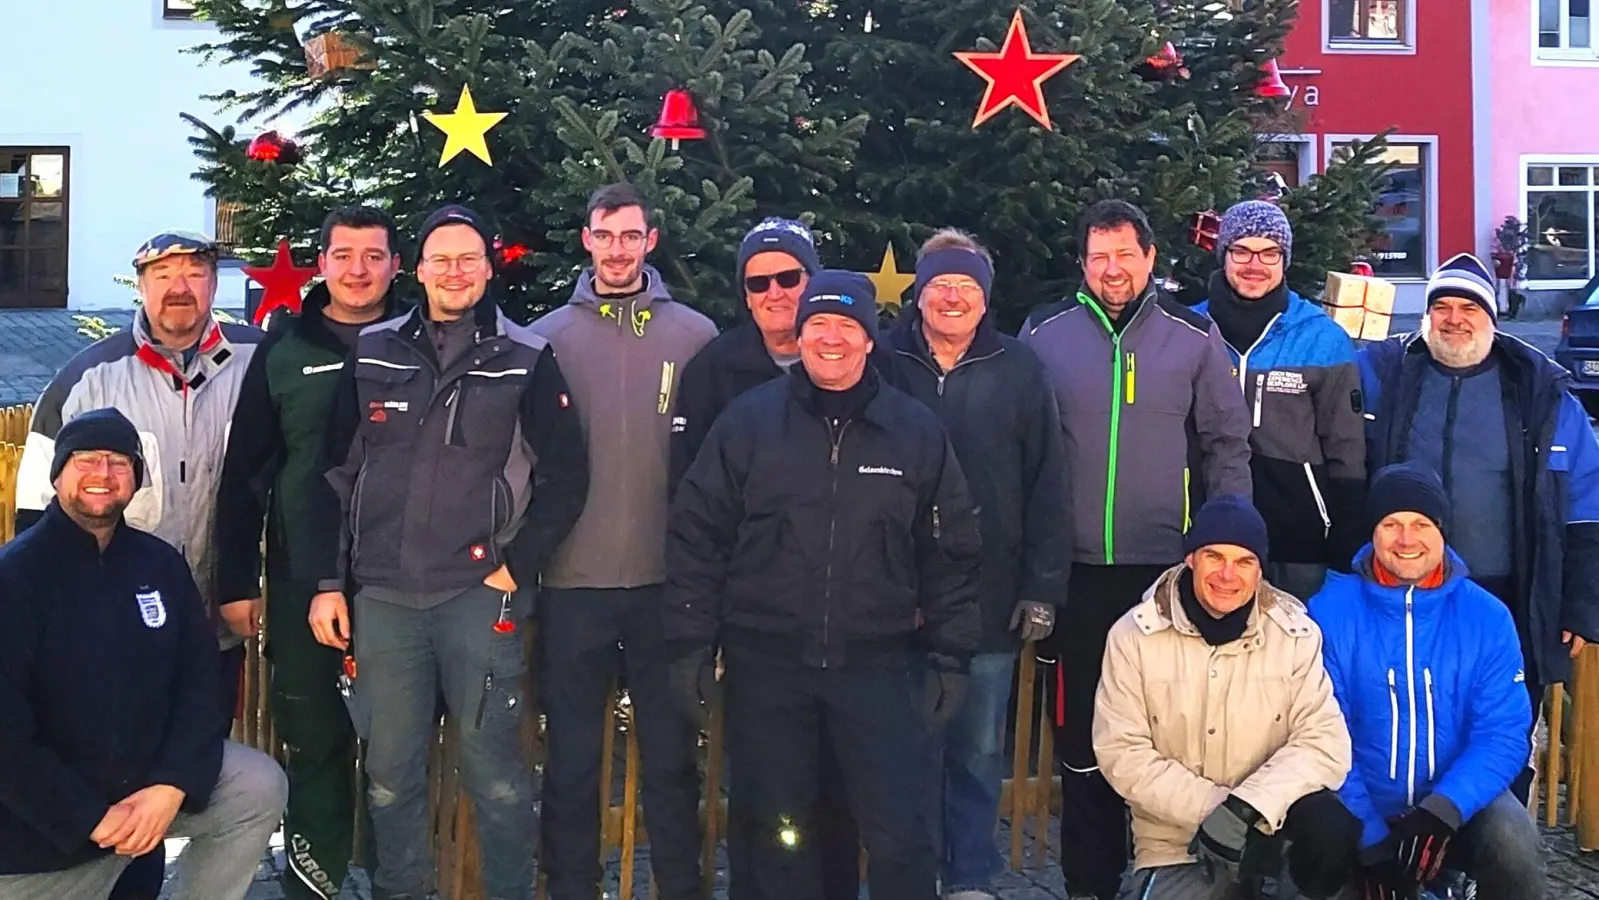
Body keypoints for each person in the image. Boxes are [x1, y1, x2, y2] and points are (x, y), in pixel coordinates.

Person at [665, 269, 983, 900]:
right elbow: (698, 536)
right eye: (817, 325)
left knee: (899, 837)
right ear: (800, 335)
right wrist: (690, 644)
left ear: (870, 341)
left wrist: (952, 655)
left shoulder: (914, 430)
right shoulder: (749, 424)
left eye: (846, 326)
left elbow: (952, 549)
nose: (830, 339)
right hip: (770, 667)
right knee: (776, 836)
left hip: (881, 668)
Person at [309, 204, 589, 900]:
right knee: (389, 777)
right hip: (384, 599)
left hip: (478, 596)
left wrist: (515, 567)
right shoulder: (372, 352)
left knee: (495, 777)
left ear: (488, 267)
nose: (455, 272)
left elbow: (567, 475)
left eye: (469, 259)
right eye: (441, 259)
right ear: (418, 268)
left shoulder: (526, 357)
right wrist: (327, 581)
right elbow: (333, 475)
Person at [12, 229, 267, 899]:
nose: (178, 287)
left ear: (214, 282)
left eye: (194, 273)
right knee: (77, 740)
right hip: (89, 622)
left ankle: (145, 858)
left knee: (195, 750)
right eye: (163, 274)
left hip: (206, 610)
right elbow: (37, 506)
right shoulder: (88, 375)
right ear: (141, 284)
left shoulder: (259, 361)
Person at [1020, 199, 1254, 900]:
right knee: (1085, 741)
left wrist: (1224, 543)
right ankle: (1089, 884)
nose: (1112, 269)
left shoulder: (1192, 335)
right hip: (1076, 573)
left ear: (1149, 258)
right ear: (1082, 264)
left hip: (1166, 573)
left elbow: (1224, 442)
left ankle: (1171, 877)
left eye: (1125, 255)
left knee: (1169, 734)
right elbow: (1022, 448)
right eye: (1099, 257)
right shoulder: (1045, 335)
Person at [0, 408, 288, 900]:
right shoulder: (17, 577)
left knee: (256, 784)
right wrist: (89, 818)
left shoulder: (159, 564)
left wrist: (172, 784)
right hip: (45, 840)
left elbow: (199, 684)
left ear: (135, 478)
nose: (103, 475)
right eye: (86, 460)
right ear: (59, 474)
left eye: (118, 462)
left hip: (147, 796)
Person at [528, 182, 718, 900]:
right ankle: (572, 887)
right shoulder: (546, 337)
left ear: (650, 242)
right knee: (573, 762)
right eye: (604, 236)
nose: (616, 249)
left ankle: (680, 887)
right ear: (586, 241)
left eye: (629, 236)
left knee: (671, 760)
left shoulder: (694, 337)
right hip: (573, 585)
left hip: (663, 587)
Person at [667, 216, 866, 900]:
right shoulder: (715, 372)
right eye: (760, 281)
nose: (776, 292)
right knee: (761, 790)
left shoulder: (866, 365)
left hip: (851, 624)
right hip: (755, 621)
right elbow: (691, 504)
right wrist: (702, 621)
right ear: (744, 295)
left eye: (790, 277)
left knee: (837, 789)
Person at [213, 206, 405, 900]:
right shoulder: (286, 347)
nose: (358, 270)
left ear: (395, 264)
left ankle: (396, 881)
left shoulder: (422, 342)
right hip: (300, 582)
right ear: (321, 263)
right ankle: (313, 885)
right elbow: (245, 473)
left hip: (402, 584)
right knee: (315, 741)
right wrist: (236, 581)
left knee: (397, 750)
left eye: (374, 255)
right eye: (344, 254)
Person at [1359, 252, 1599, 798]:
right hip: (1405, 594)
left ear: (1492, 317)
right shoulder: (1387, 376)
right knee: (1407, 726)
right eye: (1441, 306)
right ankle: (1414, 852)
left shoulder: (1538, 392)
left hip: (1506, 593)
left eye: (1469, 307)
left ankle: (1491, 856)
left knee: (1499, 731)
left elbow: (1587, 504)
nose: (1454, 319)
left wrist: (1582, 604)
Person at [885, 228, 1071, 900]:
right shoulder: (885, 360)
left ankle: (968, 875)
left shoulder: (1018, 370)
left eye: (966, 286)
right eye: (940, 285)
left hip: (991, 598)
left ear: (986, 297)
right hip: (898, 597)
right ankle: (909, 874)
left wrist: (1042, 586)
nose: (952, 298)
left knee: (976, 748)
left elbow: (1047, 481)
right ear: (919, 292)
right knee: (906, 749)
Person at [1094, 495, 1357, 900]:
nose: (1227, 575)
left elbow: (1326, 743)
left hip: (1273, 828)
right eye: (1214, 556)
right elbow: (1123, 754)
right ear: (1190, 560)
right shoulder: (1133, 637)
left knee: (1331, 828)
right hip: (1177, 845)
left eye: (1244, 562)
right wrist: (1215, 812)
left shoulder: (1295, 633)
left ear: (1259, 571)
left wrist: (1247, 809)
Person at [1309, 463, 1544, 900]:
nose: (1406, 539)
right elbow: (1321, 732)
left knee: (1513, 840)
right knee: (1312, 868)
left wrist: (1446, 807)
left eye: (1421, 524)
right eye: (1391, 524)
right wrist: (1370, 837)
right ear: (1373, 532)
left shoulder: (1487, 617)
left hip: (1456, 804)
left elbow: (1503, 733)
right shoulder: (1329, 612)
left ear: (1442, 531)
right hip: (1361, 805)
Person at [1192, 201, 1366, 600]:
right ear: (1223, 256)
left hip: (1300, 538)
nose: (1255, 264)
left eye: (1269, 253)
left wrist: (1345, 538)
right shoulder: (1191, 331)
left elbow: (1347, 448)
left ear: (1284, 260)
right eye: (1242, 251)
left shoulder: (1322, 338)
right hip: (1211, 538)